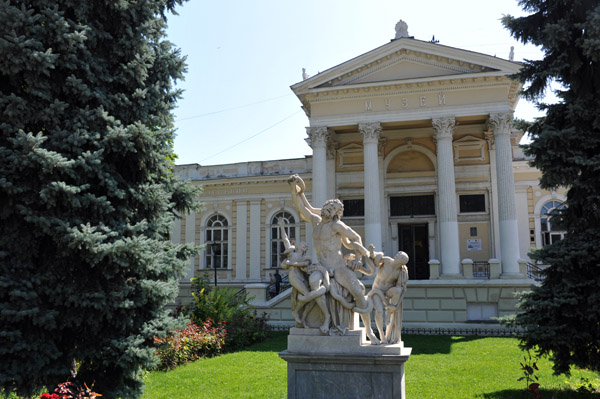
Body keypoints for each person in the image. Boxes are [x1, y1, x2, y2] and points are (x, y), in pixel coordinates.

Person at [287, 174, 373, 333]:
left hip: (338, 267)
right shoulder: (316, 221)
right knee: (314, 282)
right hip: (321, 267)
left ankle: (369, 332)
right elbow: (300, 206)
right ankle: (326, 318)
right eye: (328, 204)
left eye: (332, 207)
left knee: (358, 295)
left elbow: (356, 237)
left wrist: (358, 258)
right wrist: (293, 188)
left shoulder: (336, 225)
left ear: (336, 213)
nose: (328, 207)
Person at [362, 247, 409, 345]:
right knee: (379, 311)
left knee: (397, 290)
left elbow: (401, 289)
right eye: (397, 255)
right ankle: (382, 336)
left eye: (398, 257)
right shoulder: (387, 261)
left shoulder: (400, 271)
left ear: (401, 262)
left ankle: (389, 312)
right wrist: (373, 253)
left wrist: (395, 305)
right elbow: (375, 262)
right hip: (376, 291)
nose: (396, 257)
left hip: (387, 291)